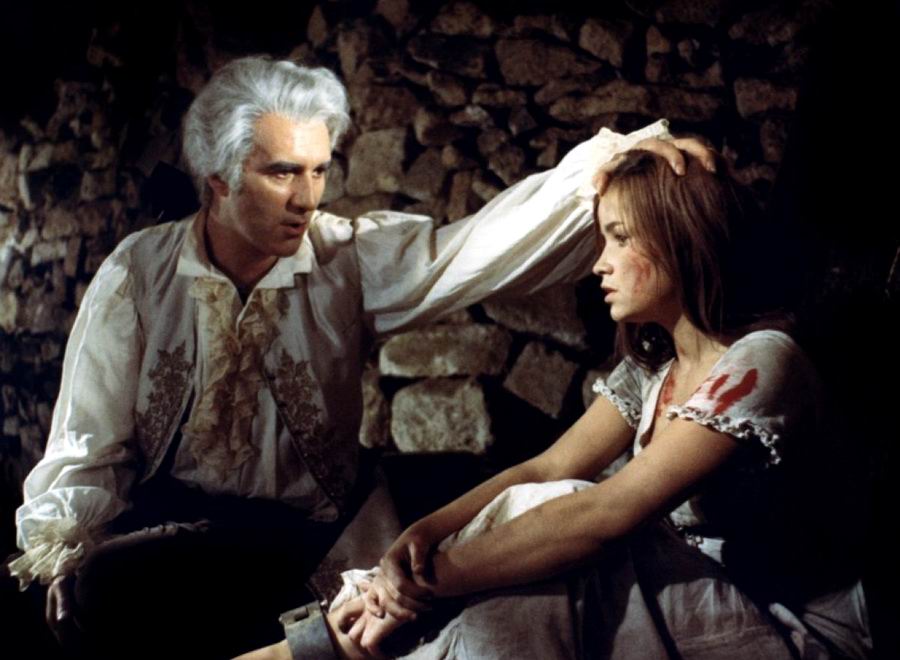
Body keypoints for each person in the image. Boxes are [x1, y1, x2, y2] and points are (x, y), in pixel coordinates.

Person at [4, 56, 686, 659]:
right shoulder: (140, 273)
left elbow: (474, 248)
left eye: (318, 170)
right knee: (95, 595)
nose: (307, 198)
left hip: (310, 534)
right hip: (174, 528)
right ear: (219, 178)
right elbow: (90, 430)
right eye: (281, 173)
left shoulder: (345, 258)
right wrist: (69, 543)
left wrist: (619, 160)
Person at [242, 148, 872, 660]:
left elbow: (607, 512)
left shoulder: (764, 361)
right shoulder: (654, 368)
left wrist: (428, 582)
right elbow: (545, 466)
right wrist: (422, 535)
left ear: (681, 238)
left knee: (557, 525)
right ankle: (353, 634)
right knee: (536, 532)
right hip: (688, 611)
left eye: (620, 238)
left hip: (786, 627)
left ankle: (337, 641)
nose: (601, 264)